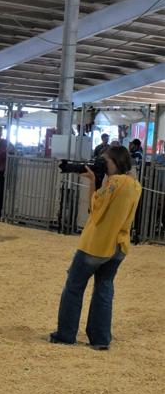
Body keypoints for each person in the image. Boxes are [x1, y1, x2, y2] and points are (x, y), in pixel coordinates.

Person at [50, 146, 142, 350]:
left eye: (105, 162)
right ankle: (100, 338)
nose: (102, 165)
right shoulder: (135, 185)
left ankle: (65, 334)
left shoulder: (113, 183)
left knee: (74, 286)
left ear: (115, 163)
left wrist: (92, 181)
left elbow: (95, 208)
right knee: (104, 289)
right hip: (119, 245)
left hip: (97, 244)